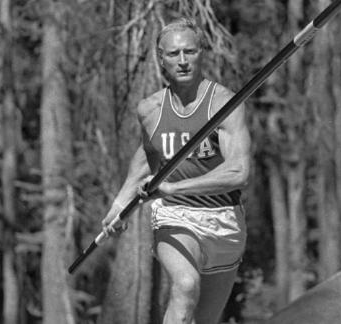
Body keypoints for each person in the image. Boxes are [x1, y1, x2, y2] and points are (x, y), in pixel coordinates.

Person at [101, 18, 251, 324]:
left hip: (225, 221)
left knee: (202, 320)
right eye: (173, 54)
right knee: (184, 285)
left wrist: (175, 187)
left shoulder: (223, 104)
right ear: (161, 58)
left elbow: (238, 172)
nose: (182, 61)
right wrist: (119, 206)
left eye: (189, 51)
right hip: (175, 214)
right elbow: (147, 154)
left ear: (201, 54)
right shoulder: (150, 109)